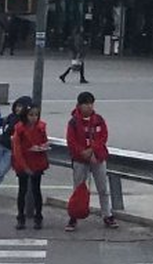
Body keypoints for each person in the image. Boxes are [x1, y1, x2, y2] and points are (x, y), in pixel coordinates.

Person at [64, 91, 116, 231]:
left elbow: (103, 137)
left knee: (103, 188)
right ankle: (74, 216)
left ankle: (107, 215)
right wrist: (83, 152)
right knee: (78, 188)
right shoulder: (74, 122)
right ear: (79, 106)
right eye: (86, 104)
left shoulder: (98, 119)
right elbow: (71, 141)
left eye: (91, 104)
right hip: (80, 160)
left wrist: (92, 150)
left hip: (97, 157)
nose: (89, 107)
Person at [10, 103, 48, 230]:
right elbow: (17, 149)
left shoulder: (41, 127)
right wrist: (24, 166)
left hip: (36, 161)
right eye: (31, 115)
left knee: (36, 190)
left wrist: (42, 147)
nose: (34, 118)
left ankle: (38, 217)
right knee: (23, 190)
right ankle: (21, 217)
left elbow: (44, 141)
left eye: (36, 115)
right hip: (24, 162)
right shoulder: (20, 129)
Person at [0, 96, 30, 197]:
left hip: (11, 150)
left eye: (21, 107)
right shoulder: (10, 117)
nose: (18, 109)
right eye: (17, 106)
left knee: (0, 172)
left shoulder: (25, 122)